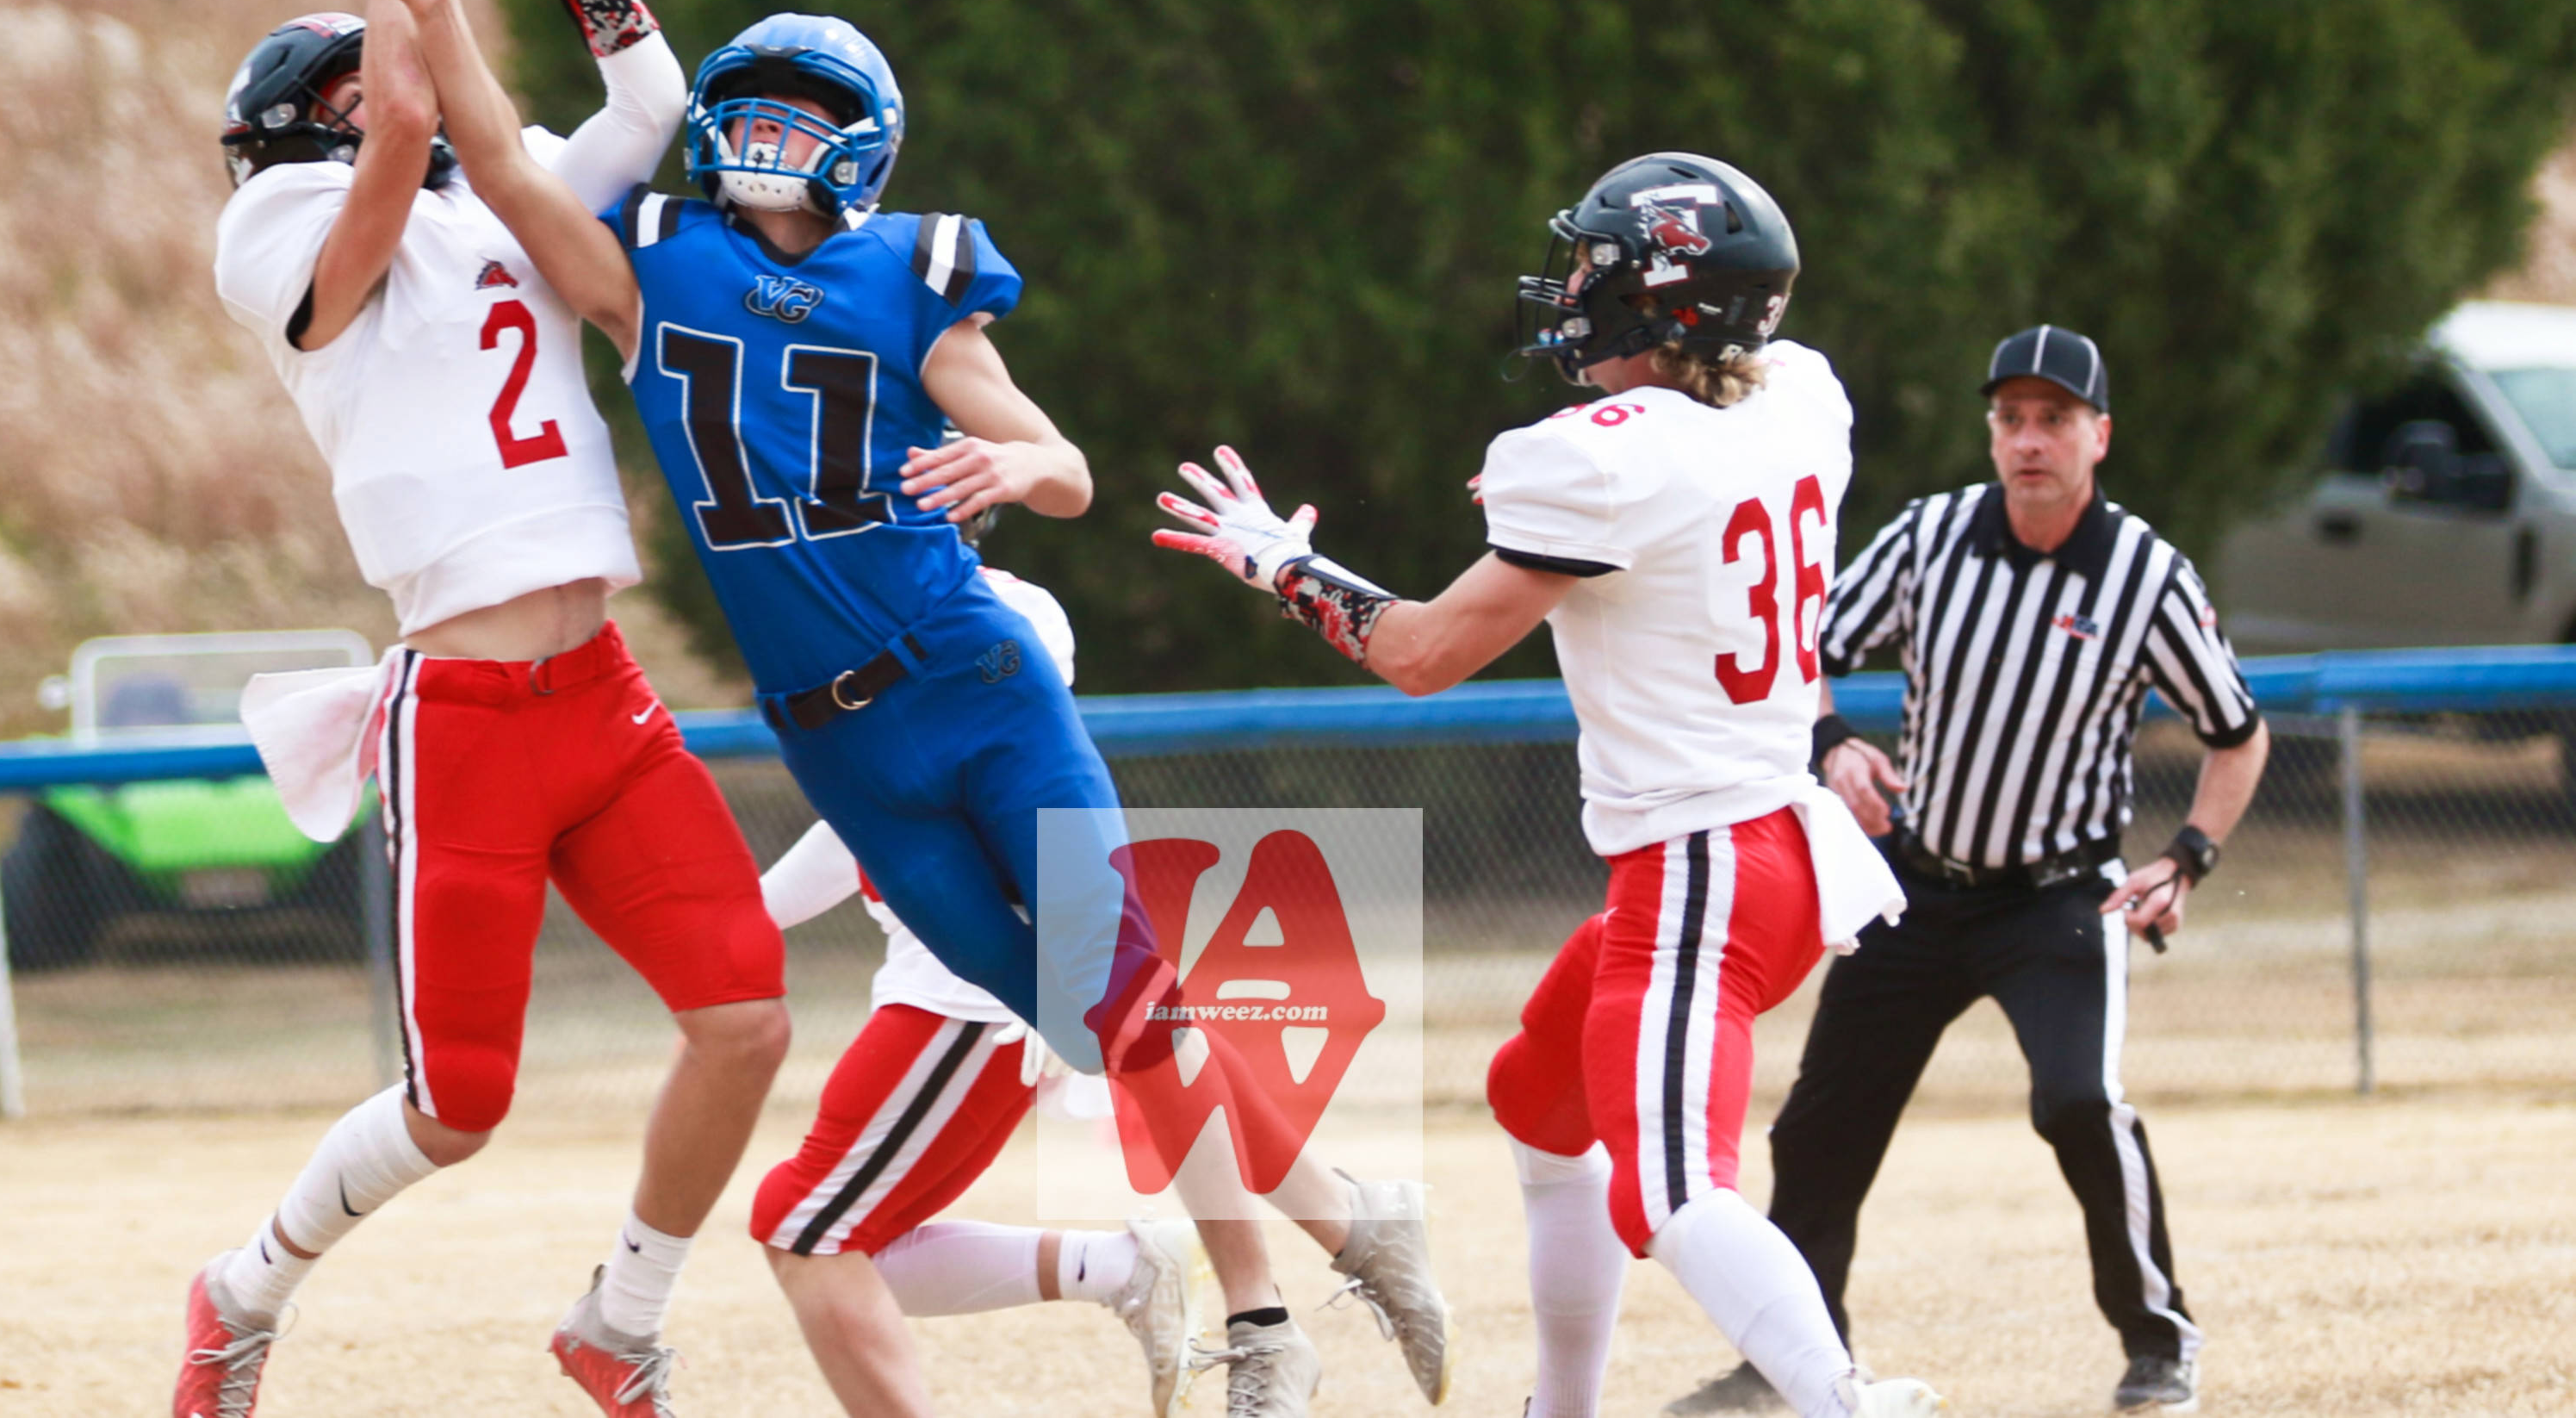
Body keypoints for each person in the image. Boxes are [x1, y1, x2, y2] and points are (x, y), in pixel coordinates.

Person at [345, 0, 1449, 1418]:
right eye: (754, 107)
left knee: (1123, 987)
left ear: (862, 145)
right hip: (835, 734)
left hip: (968, 676)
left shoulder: (910, 270)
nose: (771, 135)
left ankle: (1267, 1324)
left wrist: (1018, 466)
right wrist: (439, 9)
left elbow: (1065, 466)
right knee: (1090, 1017)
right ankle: (1354, 1215)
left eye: (806, 113)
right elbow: (516, 180)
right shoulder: (662, 268)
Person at [1151, 152, 1944, 1418]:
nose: (1569, 289)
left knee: (1669, 1191)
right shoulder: (1800, 393)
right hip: (1761, 851)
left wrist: (1281, 564)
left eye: (1592, 267)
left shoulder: (1597, 459)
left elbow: (1421, 654)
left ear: (1657, 297)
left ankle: (1843, 1399)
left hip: (1705, 864)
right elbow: (1684, 463)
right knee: (1535, 1097)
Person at [179, 0, 788, 1418]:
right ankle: (243, 1290)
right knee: (457, 1105)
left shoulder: (497, 201)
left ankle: (618, 1321)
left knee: (743, 1014)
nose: (395, 94)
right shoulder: (280, 225)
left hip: (598, 694)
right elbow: (392, 139)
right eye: (355, 78)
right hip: (462, 714)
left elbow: (654, 102)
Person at [1667, 326, 2267, 1418]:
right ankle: (1792, 1361)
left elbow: (2236, 730)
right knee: (1817, 1124)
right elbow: (1801, 643)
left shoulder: (2144, 575)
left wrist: (2186, 856)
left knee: (2079, 1102)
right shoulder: (1930, 536)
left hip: (2059, 895)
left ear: (2098, 435)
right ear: (1990, 432)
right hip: (1918, 882)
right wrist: (1830, 740)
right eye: (2009, 418)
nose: (2029, 440)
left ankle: (2157, 1340)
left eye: (2053, 419)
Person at [749, 513, 1206, 1418]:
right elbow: (858, 823)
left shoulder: (1005, 612)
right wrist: (730, 921)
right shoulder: (876, 616)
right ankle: (1122, 1266)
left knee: (803, 1224)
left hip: (969, 989)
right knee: (851, 1246)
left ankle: (1147, 1267)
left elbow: (978, 782)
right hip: (950, 981)